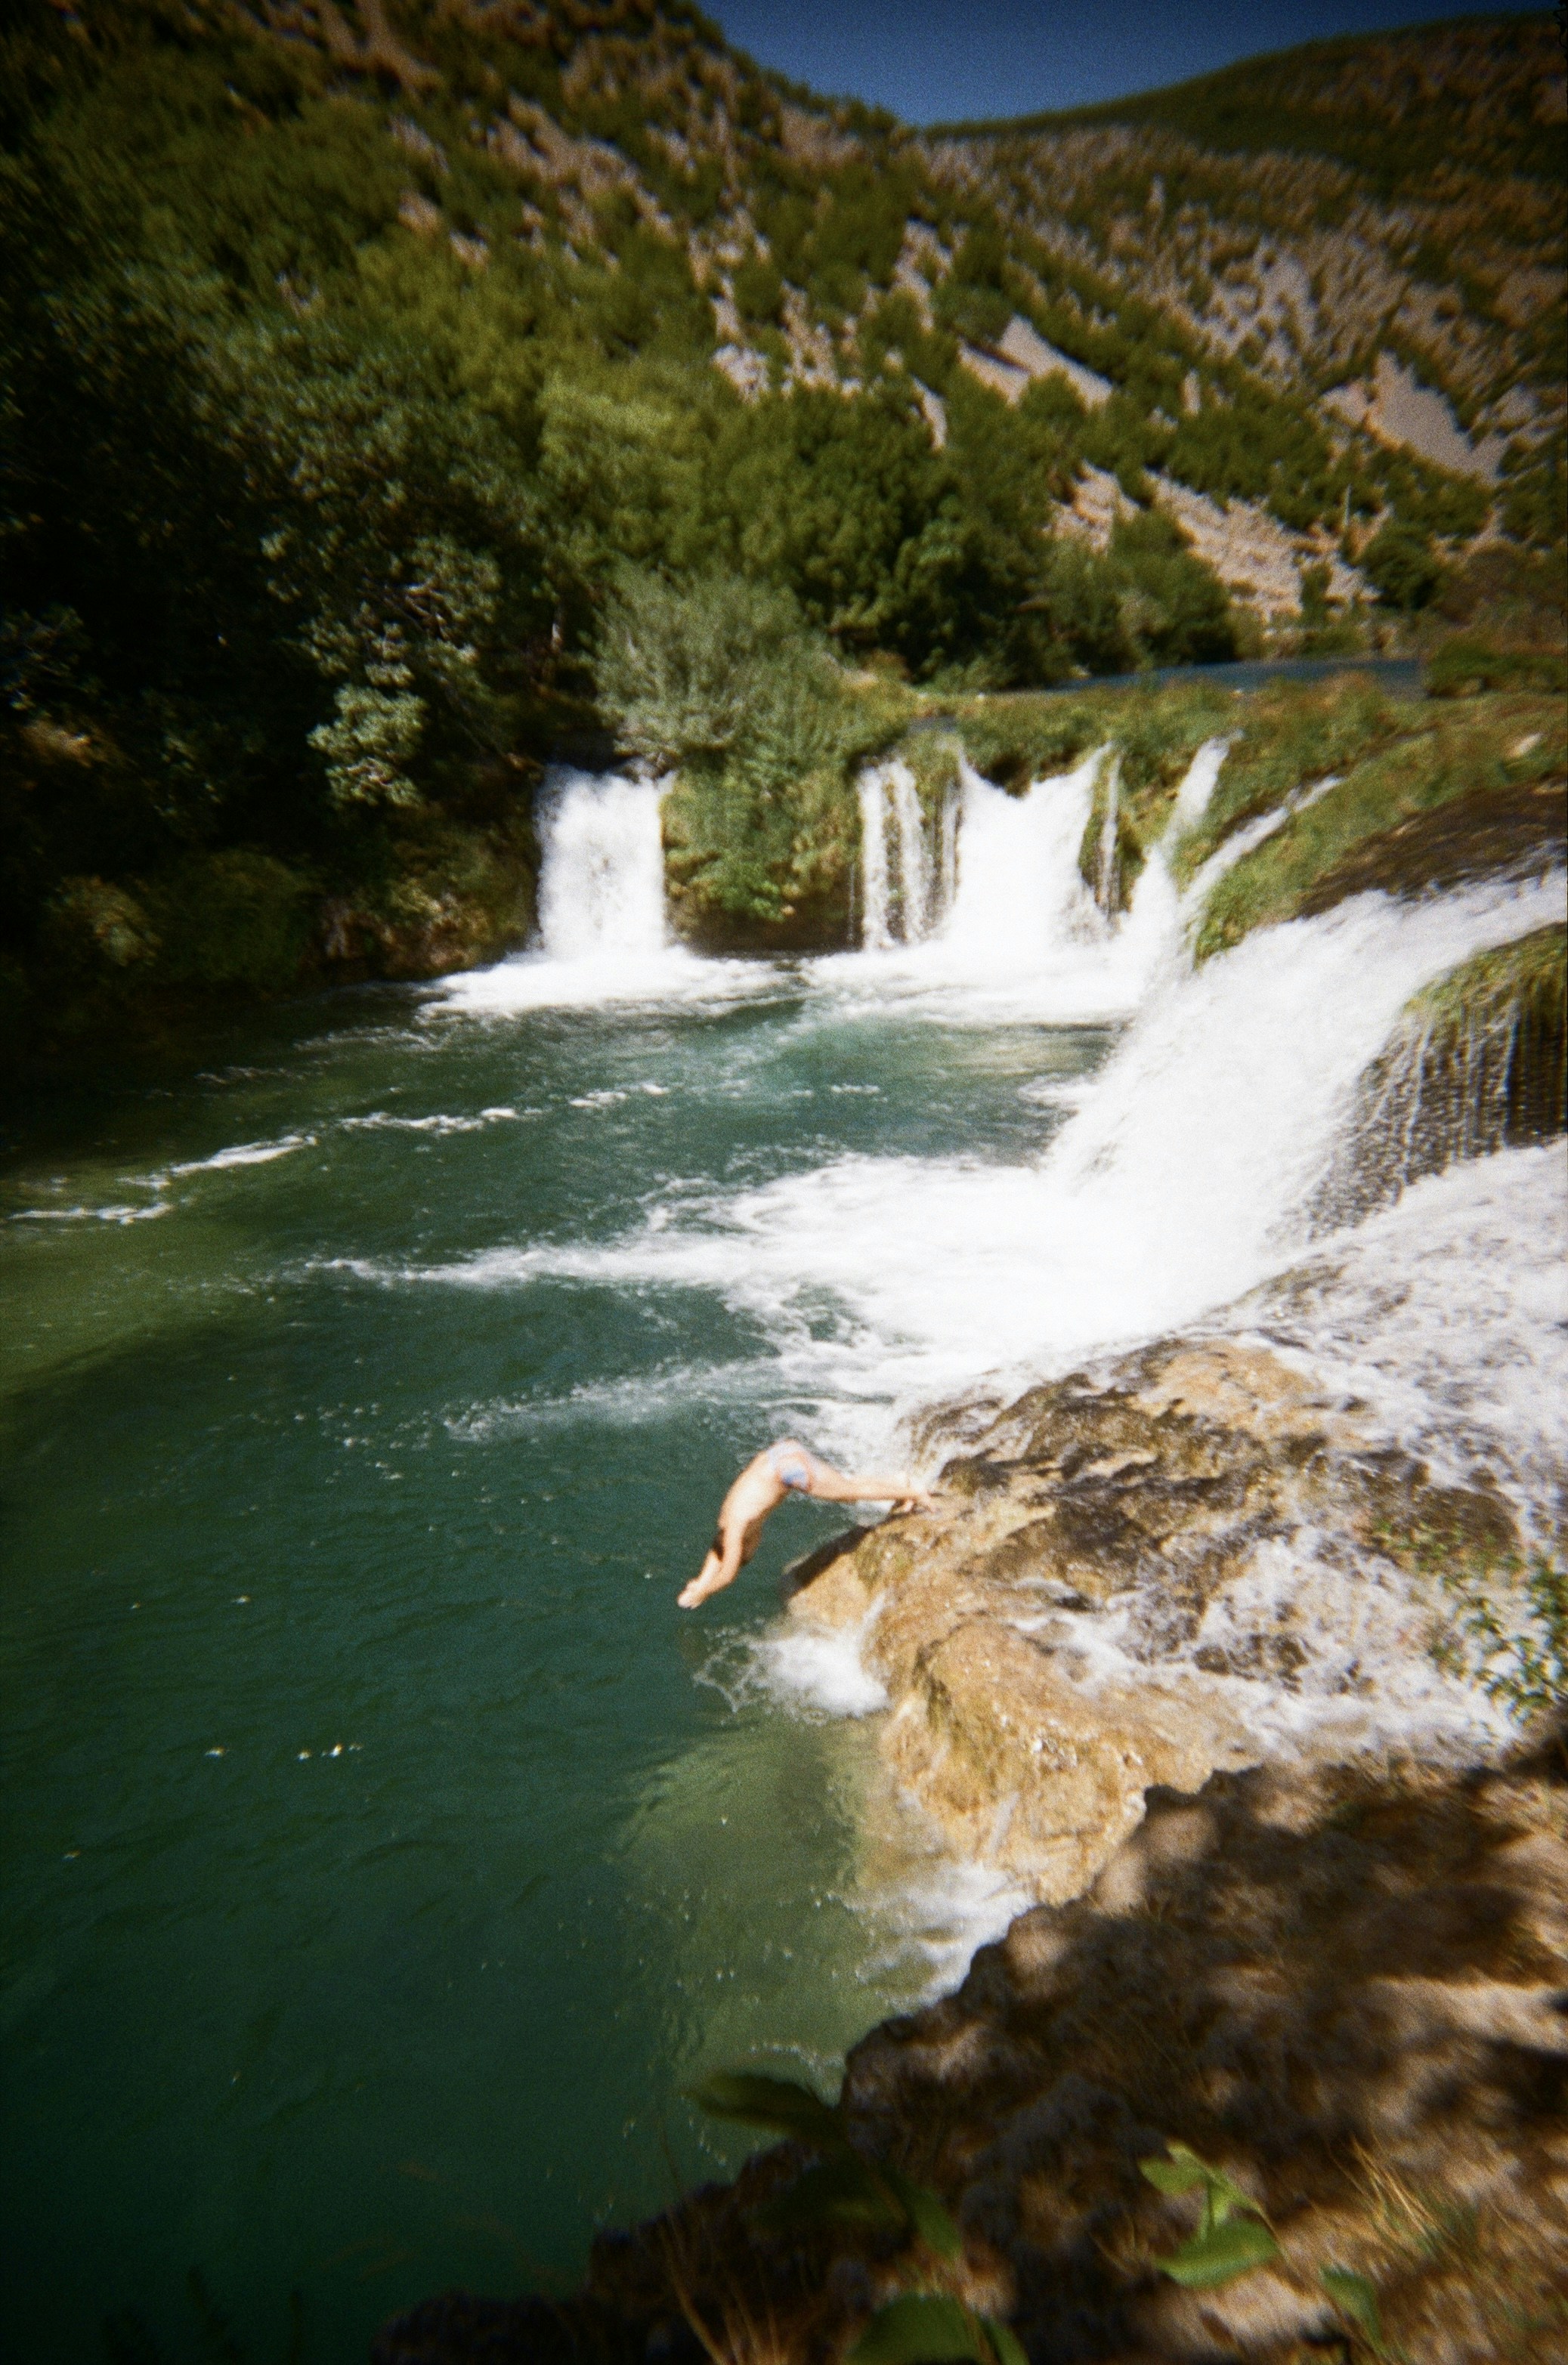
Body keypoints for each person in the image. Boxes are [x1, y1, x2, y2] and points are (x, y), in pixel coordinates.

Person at [677, 1438, 937, 1609]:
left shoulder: (736, 1530)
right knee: (845, 1484)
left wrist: (704, 1593)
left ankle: (915, 1492)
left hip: (789, 1469)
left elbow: (728, 1574)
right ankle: (898, 1482)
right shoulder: (728, 1524)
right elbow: (717, 1552)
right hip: (778, 1454)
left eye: (747, 1556)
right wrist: (701, 1581)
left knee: (848, 1492)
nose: (752, 1554)